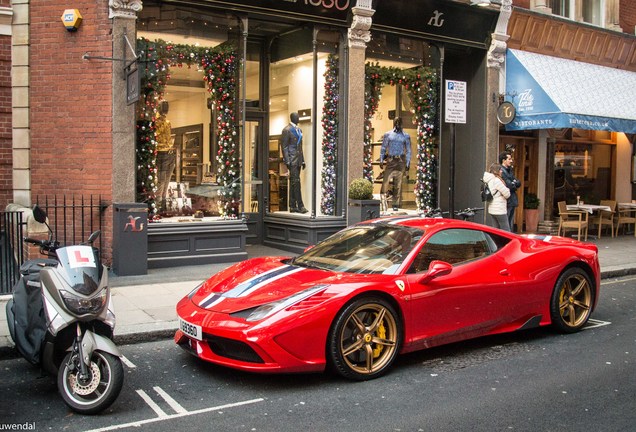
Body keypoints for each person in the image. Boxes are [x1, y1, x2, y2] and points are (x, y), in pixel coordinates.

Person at [380, 117, 412, 211]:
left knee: (398, 184)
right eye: (396, 122)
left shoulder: (406, 136)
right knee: (385, 182)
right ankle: (382, 203)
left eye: (400, 122)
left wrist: (408, 162)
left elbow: (409, 150)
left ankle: (396, 205)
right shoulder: (388, 134)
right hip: (391, 160)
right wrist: (382, 159)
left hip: (401, 160)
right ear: (394, 123)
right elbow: (383, 147)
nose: (398, 123)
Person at [281, 112, 307, 214]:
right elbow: (284, 147)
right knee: (296, 182)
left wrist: (303, 160)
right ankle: (300, 206)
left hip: (298, 160)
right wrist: (287, 161)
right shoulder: (287, 130)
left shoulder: (299, 130)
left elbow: (300, 147)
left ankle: (292, 206)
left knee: (293, 182)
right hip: (292, 160)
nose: (298, 118)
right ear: (292, 118)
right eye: (297, 116)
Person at [155, 101, 175, 211]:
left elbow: (168, 137)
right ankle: (158, 205)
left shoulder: (167, 122)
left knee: (167, 179)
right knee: (161, 180)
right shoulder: (156, 122)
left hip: (169, 152)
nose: (166, 108)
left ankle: (162, 204)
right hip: (161, 152)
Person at [483, 163, 511, 231]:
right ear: (496, 171)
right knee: (506, 230)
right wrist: (507, 189)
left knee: (496, 231)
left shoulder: (488, 180)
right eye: (500, 169)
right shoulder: (496, 180)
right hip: (499, 209)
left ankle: (496, 242)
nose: (501, 171)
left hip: (492, 208)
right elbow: (507, 194)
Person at [499, 151, 521, 231]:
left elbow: (518, 182)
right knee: (507, 222)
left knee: (510, 220)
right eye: (509, 159)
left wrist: (514, 183)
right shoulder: (501, 171)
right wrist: (513, 183)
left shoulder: (510, 170)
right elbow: (509, 185)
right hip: (507, 200)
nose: (511, 161)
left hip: (512, 200)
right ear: (503, 160)